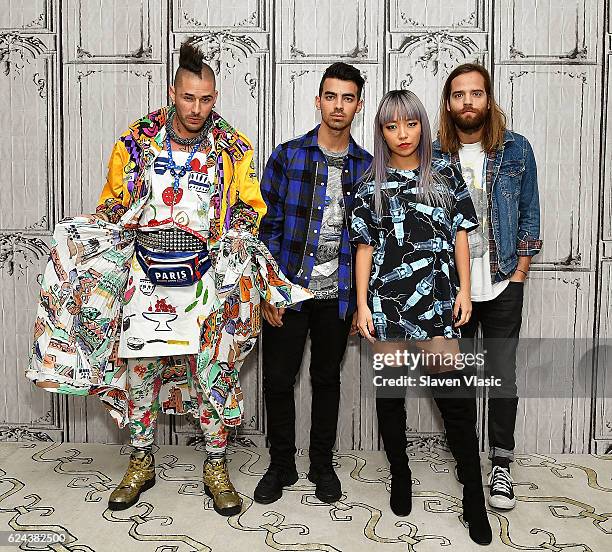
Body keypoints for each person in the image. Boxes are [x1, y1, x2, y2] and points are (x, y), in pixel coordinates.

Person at [28, 40, 310, 516]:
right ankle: (141, 461)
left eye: (206, 99)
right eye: (188, 98)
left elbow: (247, 210)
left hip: (205, 277)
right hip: (146, 274)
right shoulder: (136, 141)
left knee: (213, 375)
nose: (197, 109)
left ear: (214, 97)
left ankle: (216, 465)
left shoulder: (234, 147)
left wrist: (240, 255)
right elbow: (113, 205)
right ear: (172, 91)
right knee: (140, 372)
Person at [351, 89, 492, 545]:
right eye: (391, 126)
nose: (402, 134)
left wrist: (466, 290)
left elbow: (461, 237)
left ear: (422, 126)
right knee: (391, 396)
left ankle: (474, 495)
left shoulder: (446, 173)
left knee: (454, 402)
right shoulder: (370, 183)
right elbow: (364, 249)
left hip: (438, 305)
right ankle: (400, 475)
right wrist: (361, 305)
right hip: (388, 305)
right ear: (382, 132)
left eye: (410, 124)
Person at [255, 62, 372, 505]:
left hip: (337, 297)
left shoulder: (367, 165)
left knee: (326, 379)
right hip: (289, 292)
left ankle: (322, 465)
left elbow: (369, 238)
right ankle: (281, 464)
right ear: (318, 100)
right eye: (331, 96)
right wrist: (269, 288)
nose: (338, 106)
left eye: (347, 98)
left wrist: (363, 303)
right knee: (279, 380)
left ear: (357, 105)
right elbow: (265, 229)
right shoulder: (289, 155)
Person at [434, 63, 542, 510]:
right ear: (448, 103)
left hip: (501, 284)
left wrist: (518, 275)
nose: (468, 103)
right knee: (453, 377)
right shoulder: (434, 154)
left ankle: (500, 463)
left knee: (501, 377)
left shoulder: (517, 149)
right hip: (451, 289)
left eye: (476, 94)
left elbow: (530, 214)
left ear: (489, 98)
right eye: (459, 95)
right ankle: (466, 458)